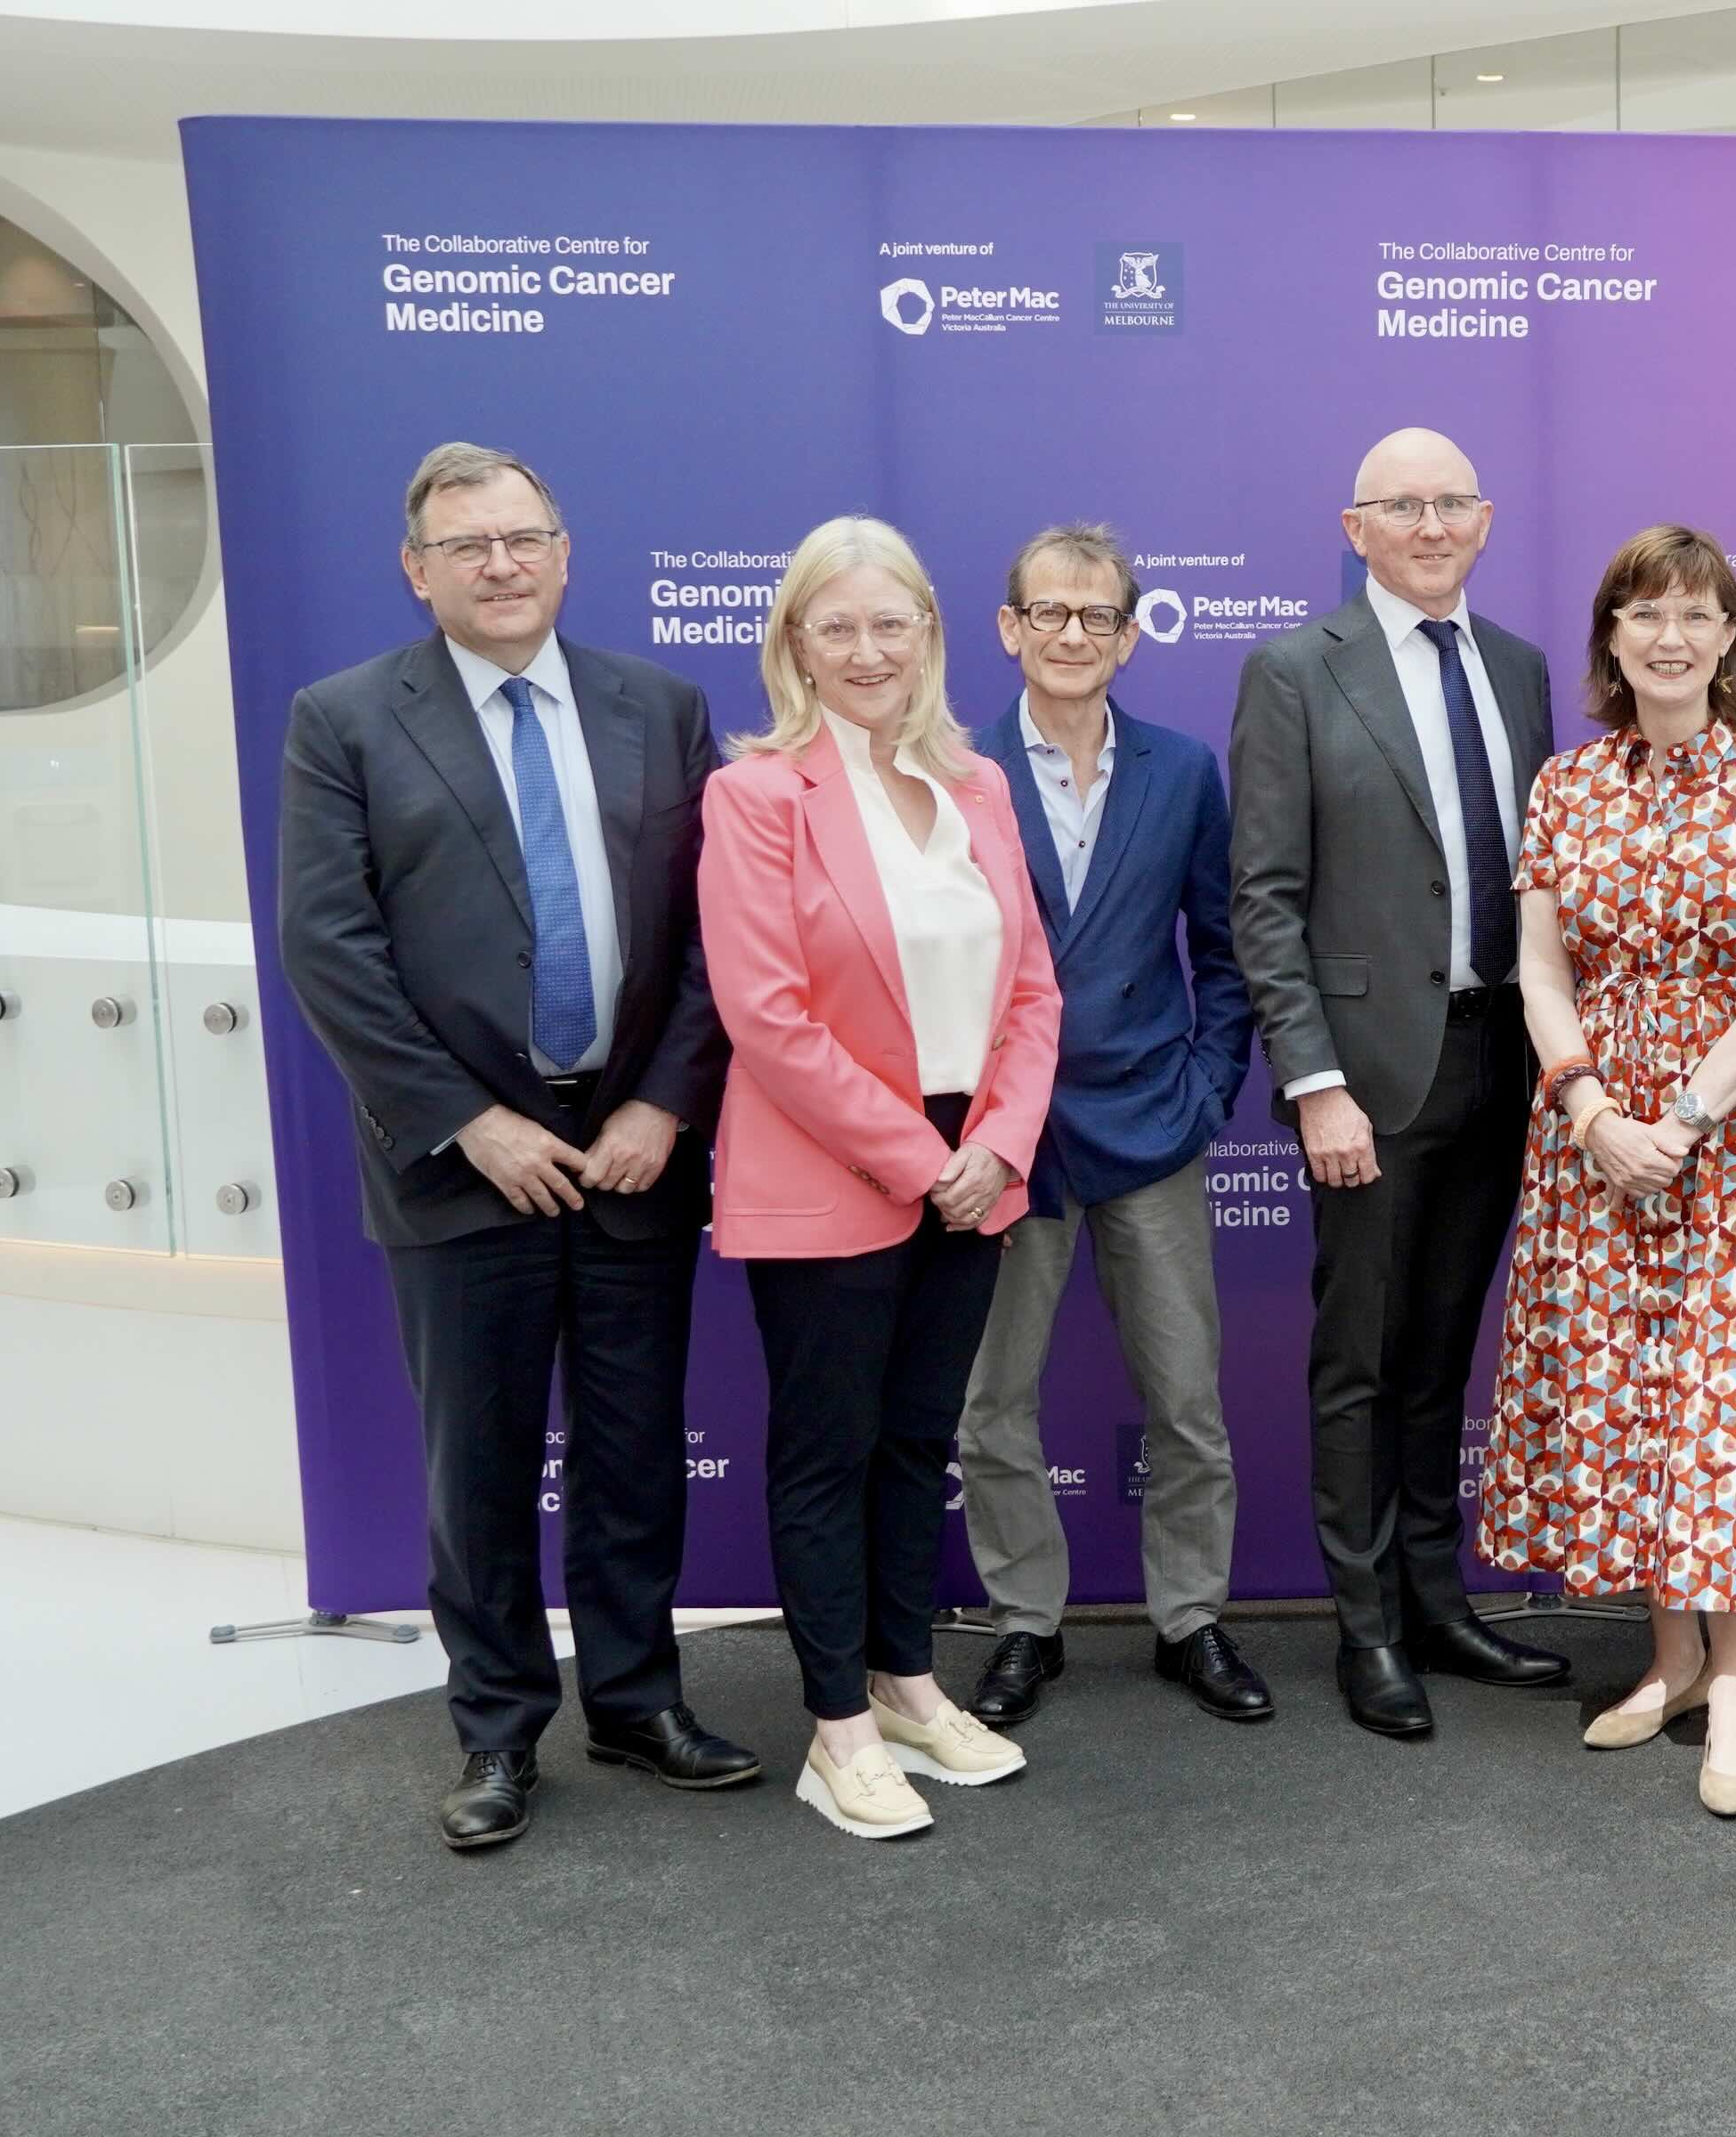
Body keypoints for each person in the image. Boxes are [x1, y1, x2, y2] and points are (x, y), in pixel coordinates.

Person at [277, 442, 755, 1852]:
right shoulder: (344, 720)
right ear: (417, 571)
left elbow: (716, 930)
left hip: (630, 1153)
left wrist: (663, 1103)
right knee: (478, 1469)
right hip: (461, 1162)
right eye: (468, 546)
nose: (501, 564)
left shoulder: (660, 708)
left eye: (523, 538)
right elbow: (329, 947)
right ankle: (495, 1731)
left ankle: (638, 1702)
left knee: (634, 1452)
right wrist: (470, 1121)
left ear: (564, 553)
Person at [1476, 525, 1736, 1819]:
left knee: (1730, 1401)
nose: (1670, 636)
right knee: (1633, 1390)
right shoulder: (1567, 785)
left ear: (1729, 637)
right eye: (1644, 613)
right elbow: (1541, 970)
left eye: (1696, 613)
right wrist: (1592, 1110)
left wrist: (1686, 1117)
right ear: (1613, 637)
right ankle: (1671, 1657)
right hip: (1594, 1133)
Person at [696, 516, 1063, 1840]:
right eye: (836, 627)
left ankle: (906, 1685)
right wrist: (923, 1160)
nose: (866, 651)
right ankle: (837, 1731)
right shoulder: (756, 796)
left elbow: (1032, 988)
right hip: (836, 1170)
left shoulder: (978, 786)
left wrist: (999, 1145)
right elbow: (767, 1016)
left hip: (975, 1164)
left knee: (916, 1442)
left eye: (889, 624)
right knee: (828, 1453)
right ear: (794, 643)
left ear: (929, 636)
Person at [1229, 427, 1575, 1739]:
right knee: (1361, 1363)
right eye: (1403, 506)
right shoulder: (1293, 671)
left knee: (1440, 1356)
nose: (1430, 526)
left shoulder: (1519, 669)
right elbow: (1265, 899)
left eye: (1451, 504)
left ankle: (1438, 1601)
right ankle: (1367, 1629)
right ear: (1355, 527)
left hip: (1502, 1063)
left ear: (1483, 521)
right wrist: (1314, 1081)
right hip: (1368, 1079)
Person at [953, 523, 1269, 1728]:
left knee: (1186, 1399)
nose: (1073, 635)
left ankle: (1190, 1618)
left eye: (1098, 616)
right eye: (1050, 612)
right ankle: (1024, 1622)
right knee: (994, 1403)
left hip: (1151, 1123)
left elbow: (1226, 951)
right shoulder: (956, 768)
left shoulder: (1181, 771)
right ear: (1010, 628)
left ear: (1131, 637)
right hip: (1005, 1137)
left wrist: (1208, 1089)